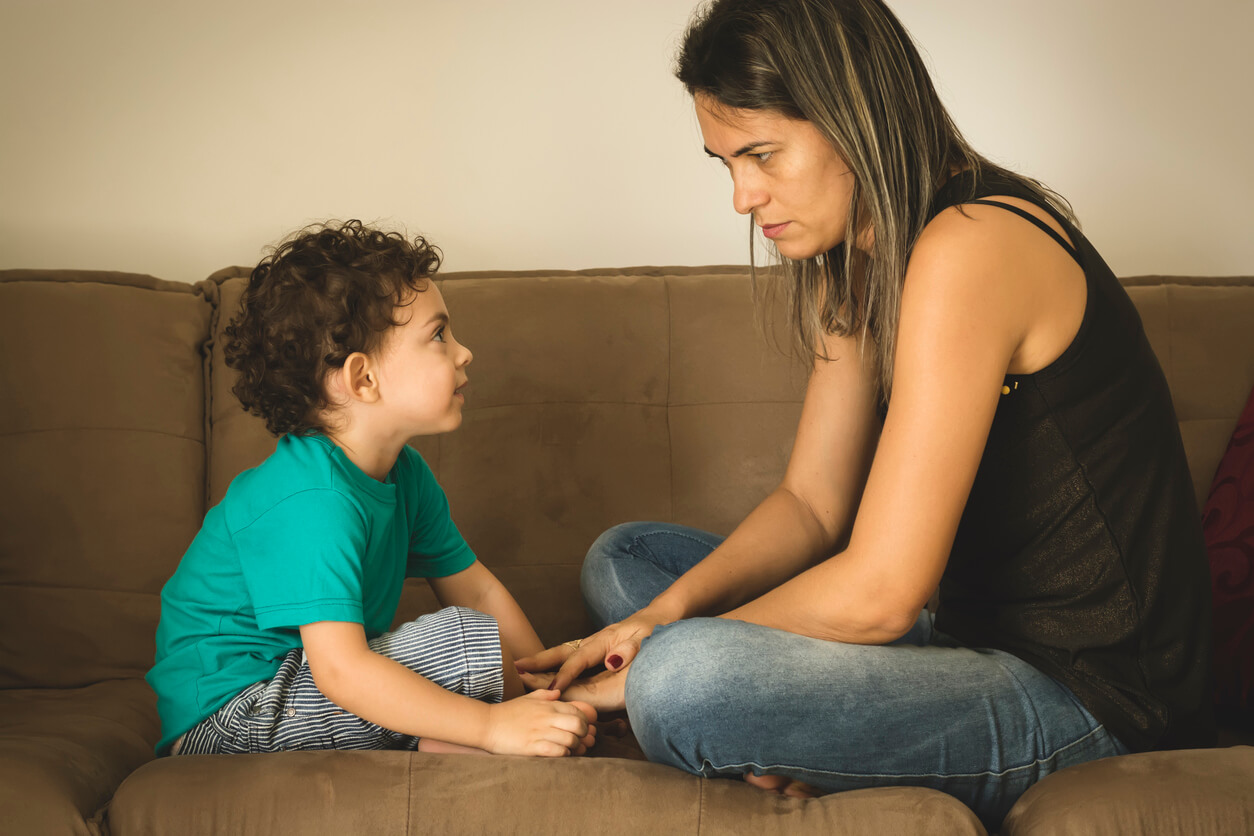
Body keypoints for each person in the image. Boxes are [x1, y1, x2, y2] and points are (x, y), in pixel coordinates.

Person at [516, 0, 1214, 827]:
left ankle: (764, 727)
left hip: (1095, 696)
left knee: (683, 678)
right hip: (957, 639)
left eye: (763, 155)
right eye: (725, 162)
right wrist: (657, 617)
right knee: (626, 562)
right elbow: (811, 505)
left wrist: (654, 658)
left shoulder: (972, 245)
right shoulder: (855, 257)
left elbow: (883, 593)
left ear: (853, 118)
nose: (743, 195)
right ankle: (814, 735)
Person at [147, 220, 595, 759]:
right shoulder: (311, 500)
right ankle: (462, 737)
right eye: (438, 335)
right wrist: (492, 726)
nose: (464, 352)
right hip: (234, 718)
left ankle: (437, 741)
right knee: (464, 640)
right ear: (363, 380)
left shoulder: (405, 474)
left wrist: (549, 694)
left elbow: (478, 591)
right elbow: (341, 669)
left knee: (483, 637)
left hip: (308, 686)